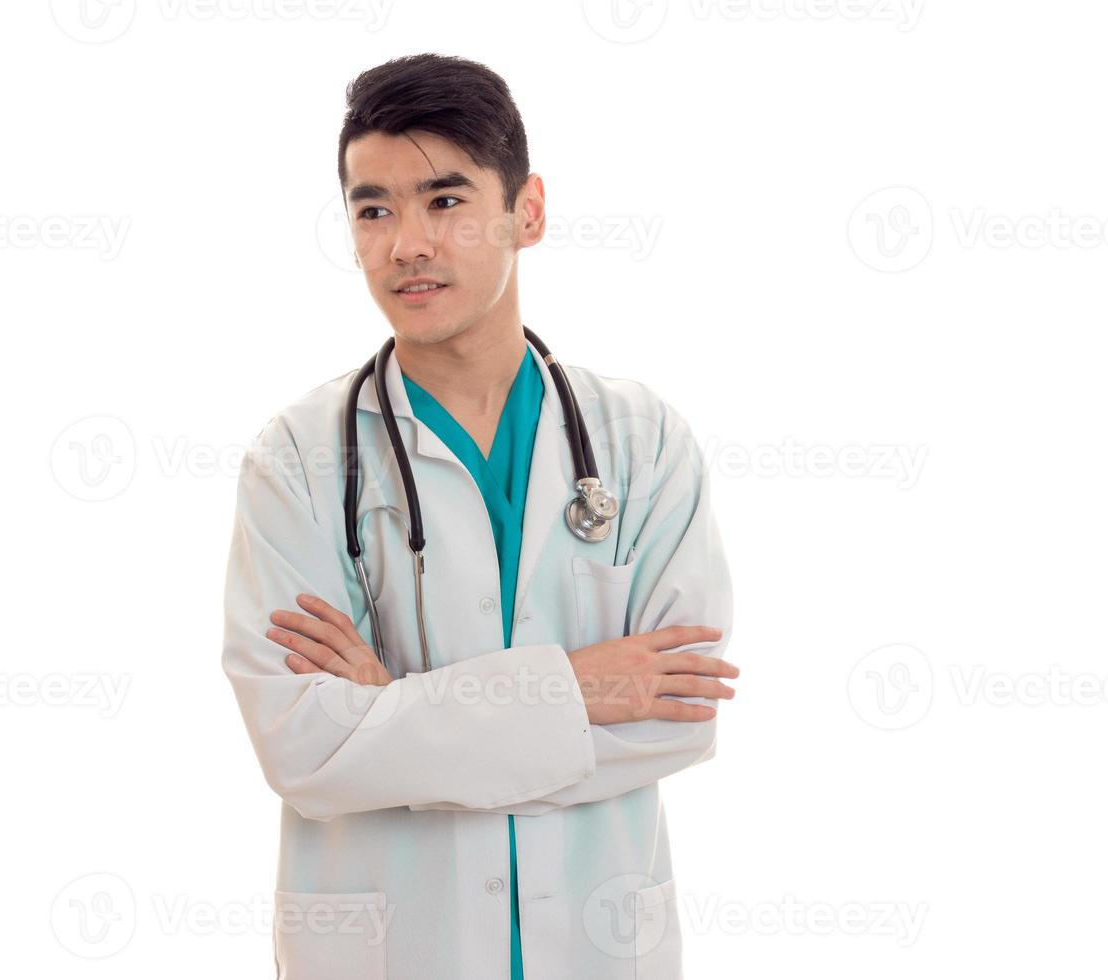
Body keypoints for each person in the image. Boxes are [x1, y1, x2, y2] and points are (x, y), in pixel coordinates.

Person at [222, 52, 739, 980]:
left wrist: (394, 717)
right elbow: (305, 746)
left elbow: (680, 714)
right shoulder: (298, 462)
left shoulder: (643, 441)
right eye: (372, 208)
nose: (405, 244)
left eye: (445, 201)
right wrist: (579, 689)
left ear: (526, 212)